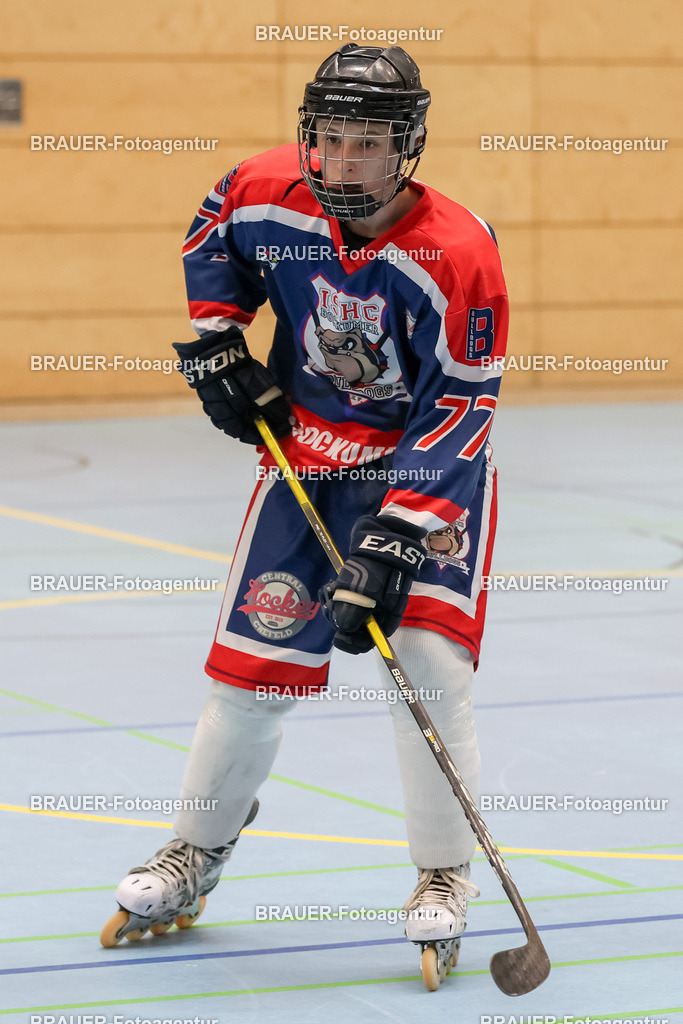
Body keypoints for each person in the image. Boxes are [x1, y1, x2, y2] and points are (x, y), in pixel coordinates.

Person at [101, 43, 508, 989]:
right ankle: (193, 852)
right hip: (304, 465)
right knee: (253, 676)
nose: (343, 162)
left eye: (368, 142)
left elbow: (461, 406)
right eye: (328, 139)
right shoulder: (266, 190)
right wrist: (216, 345)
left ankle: (442, 873)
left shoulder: (457, 251)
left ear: (406, 146)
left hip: (419, 480)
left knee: (429, 671)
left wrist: (392, 541)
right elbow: (214, 236)